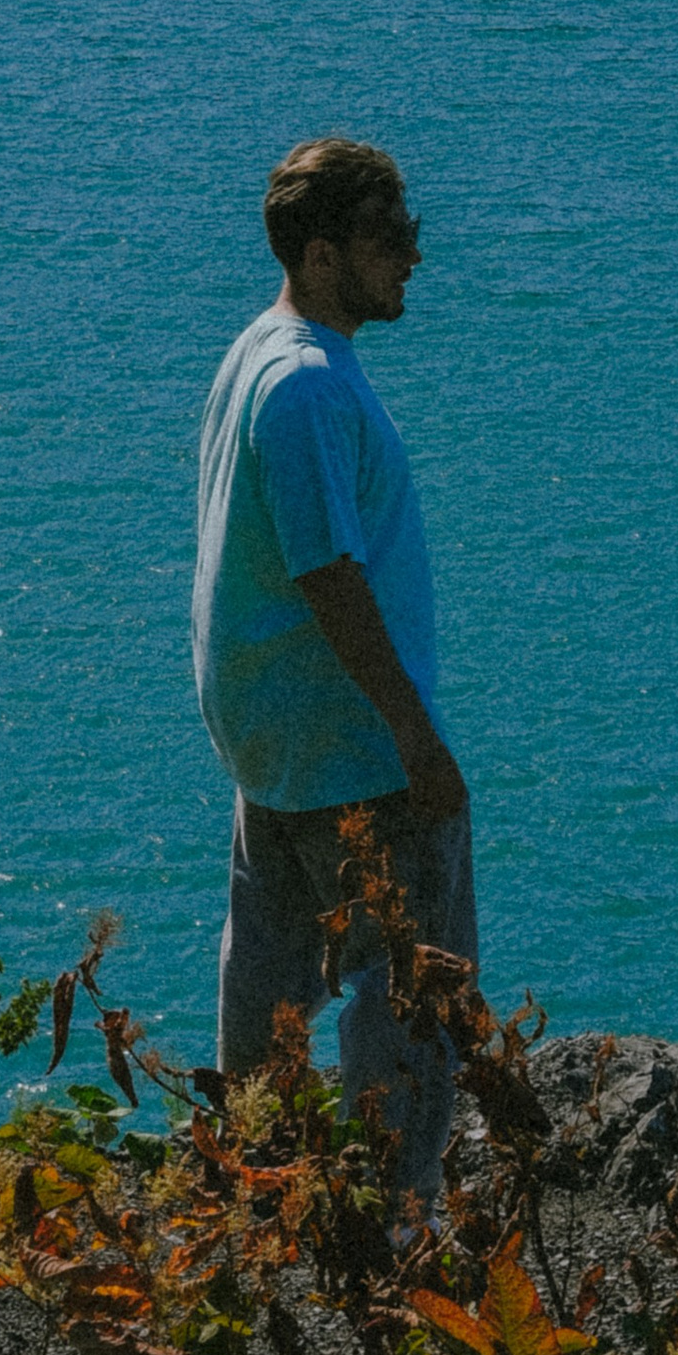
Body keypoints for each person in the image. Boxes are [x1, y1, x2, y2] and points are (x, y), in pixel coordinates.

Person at [191, 135, 477, 1201]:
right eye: (386, 237)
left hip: (274, 744)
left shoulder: (254, 354)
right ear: (319, 255)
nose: (411, 256)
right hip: (351, 749)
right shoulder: (307, 386)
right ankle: (395, 1223)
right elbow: (329, 575)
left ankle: (249, 1197)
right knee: (409, 993)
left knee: (266, 988)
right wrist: (414, 736)